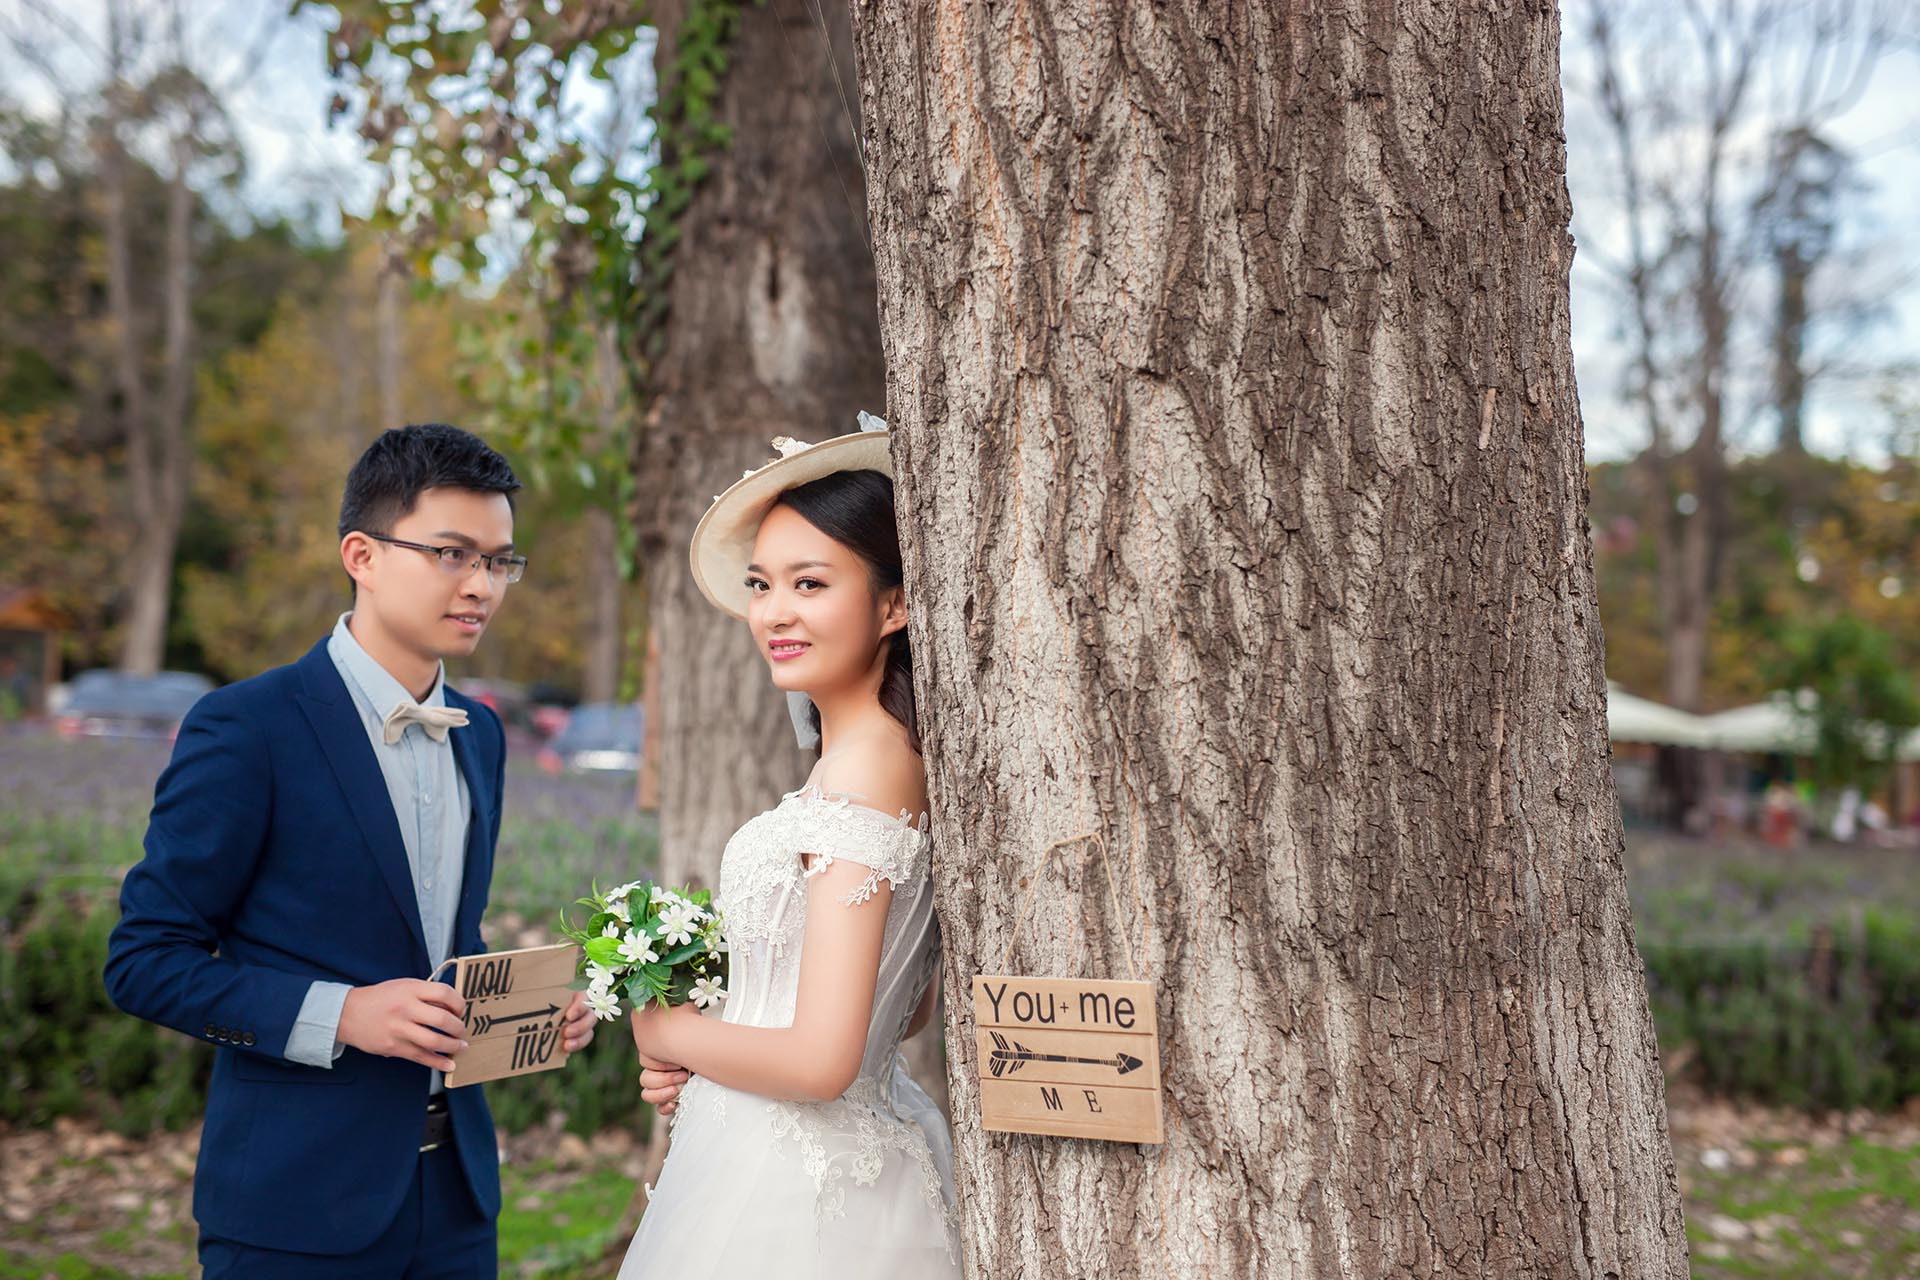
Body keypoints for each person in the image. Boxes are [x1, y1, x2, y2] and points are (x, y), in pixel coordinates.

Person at [104, 423, 597, 1278]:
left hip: (458, 1201)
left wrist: (521, 1015)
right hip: (294, 1204)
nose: (482, 585)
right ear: (361, 555)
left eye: (500, 561)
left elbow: (440, 943)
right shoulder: (248, 728)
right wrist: (343, 1016)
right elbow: (144, 960)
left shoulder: (480, 733)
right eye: (452, 553)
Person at [617, 418, 958, 1277]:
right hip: (791, 1153)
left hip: (798, 1193)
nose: (773, 612)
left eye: (810, 583)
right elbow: (904, 1004)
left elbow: (820, 1061)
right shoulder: (872, 759)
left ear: (894, 603)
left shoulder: (863, 775)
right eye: (762, 584)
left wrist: (669, 1028)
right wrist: (712, 1039)